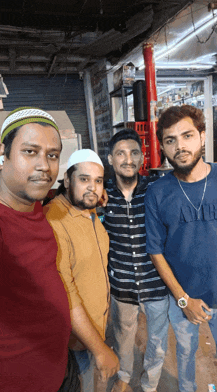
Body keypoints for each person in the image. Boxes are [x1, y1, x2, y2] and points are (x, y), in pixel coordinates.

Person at [0, 107, 79, 392]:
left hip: (59, 367)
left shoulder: (35, 209)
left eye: (52, 155)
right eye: (30, 152)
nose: (44, 165)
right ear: (2, 153)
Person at [145, 105, 217, 392]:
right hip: (183, 299)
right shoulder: (158, 192)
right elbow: (155, 250)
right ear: (162, 146)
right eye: (170, 140)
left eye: (187, 136)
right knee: (185, 357)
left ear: (202, 136)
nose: (180, 146)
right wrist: (184, 300)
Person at [45, 149, 119, 392]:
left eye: (98, 181)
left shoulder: (88, 211)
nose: (92, 187)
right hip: (76, 340)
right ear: (67, 180)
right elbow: (65, 292)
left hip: (97, 325)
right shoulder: (54, 221)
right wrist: (99, 349)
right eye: (84, 179)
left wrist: (95, 200)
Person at [104, 129, 169, 392]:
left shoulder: (156, 192)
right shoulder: (102, 195)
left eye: (133, 153)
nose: (127, 159)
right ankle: (124, 374)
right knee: (123, 335)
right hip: (123, 285)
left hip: (156, 283)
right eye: (120, 153)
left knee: (158, 340)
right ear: (110, 159)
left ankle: (151, 383)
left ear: (142, 158)